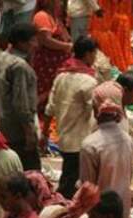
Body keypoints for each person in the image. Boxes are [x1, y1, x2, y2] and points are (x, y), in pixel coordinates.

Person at [45, 36, 98, 198]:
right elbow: (96, 110)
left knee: (68, 174)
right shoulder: (88, 81)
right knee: (72, 182)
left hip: (64, 136)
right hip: (80, 138)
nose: (95, 57)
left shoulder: (61, 76)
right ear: (88, 54)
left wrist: (44, 133)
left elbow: (50, 108)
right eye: (94, 53)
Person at [80, 81, 133, 218]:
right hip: (123, 202)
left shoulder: (90, 144)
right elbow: (130, 174)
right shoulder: (127, 139)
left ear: (95, 110)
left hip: (101, 208)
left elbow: (87, 185)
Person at [0, 23, 40, 171]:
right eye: (33, 40)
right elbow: (21, 103)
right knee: (30, 174)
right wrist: (29, 132)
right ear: (21, 42)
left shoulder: (2, 57)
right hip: (17, 130)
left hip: (1, 124)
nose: (36, 44)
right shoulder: (19, 67)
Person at [31, 0, 72, 125]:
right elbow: (45, 40)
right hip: (46, 63)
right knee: (45, 89)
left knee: (55, 88)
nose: (60, 3)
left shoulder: (55, 16)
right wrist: (67, 46)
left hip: (56, 63)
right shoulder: (42, 16)